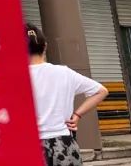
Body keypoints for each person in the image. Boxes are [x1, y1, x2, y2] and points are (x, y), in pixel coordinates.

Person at [27, 24, 109, 166]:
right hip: (64, 145)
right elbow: (102, 91)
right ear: (45, 46)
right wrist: (77, 115)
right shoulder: (64, 73)